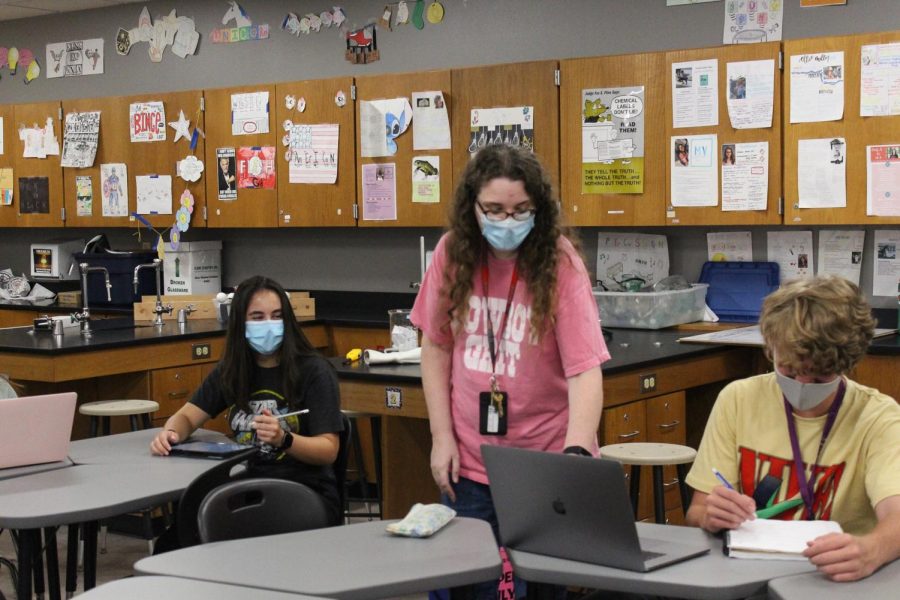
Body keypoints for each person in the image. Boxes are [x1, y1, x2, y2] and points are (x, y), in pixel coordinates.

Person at [410, 144, 609, 598]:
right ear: (473, 208)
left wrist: (575, 455)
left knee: (538, 589)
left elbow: (584, 369)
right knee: (469, 586)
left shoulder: (558, 262)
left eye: (521, 210)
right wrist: (441, 438)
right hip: (471, 463)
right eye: (494, 210)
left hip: (541, 465)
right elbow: (436, 348)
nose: (507, 221)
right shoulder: (452, 253)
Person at [685, 276, 900, 582]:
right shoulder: (738, 399)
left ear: (847, 365)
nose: (801, 385)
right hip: (744, 576)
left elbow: (896, 515)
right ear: (772, 350)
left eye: (818, 376)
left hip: (831, 579)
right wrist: (711, 516)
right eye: (789, 370)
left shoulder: (878, 417)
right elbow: (697, 513)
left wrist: (870, 550)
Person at [150, 275, 344, 540]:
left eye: (276, 316)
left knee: (219, 530)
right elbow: (186, 415)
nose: (269, 325)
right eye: (257, 317)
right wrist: (170, 433)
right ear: (240, 322)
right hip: (248, 483)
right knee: (179, 533)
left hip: (304, 490)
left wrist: (284, 439)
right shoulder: (233, 369)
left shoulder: (314, 371)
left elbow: (328, 450)